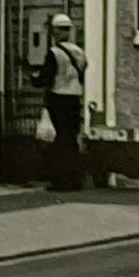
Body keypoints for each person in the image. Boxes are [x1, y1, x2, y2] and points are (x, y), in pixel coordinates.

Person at [34, 12, 89, 191]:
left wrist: (34, 78)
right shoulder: (79, 52)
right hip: (75, 98)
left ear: (56, 31)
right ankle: (75, 179)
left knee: (59, 141)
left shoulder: (54, 53)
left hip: (58, 98)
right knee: (70, 139)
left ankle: (61, 180)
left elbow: (46, 79)